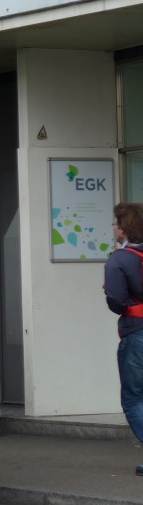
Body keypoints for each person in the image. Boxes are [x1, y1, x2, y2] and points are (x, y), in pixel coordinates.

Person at [102, 201, 143, 476]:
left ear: (124, 229)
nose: (114, 229)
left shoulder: (120, 259)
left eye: (115, 224)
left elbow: (116, 299)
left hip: (137, 334)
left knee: (133, 398)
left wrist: (124, 306)